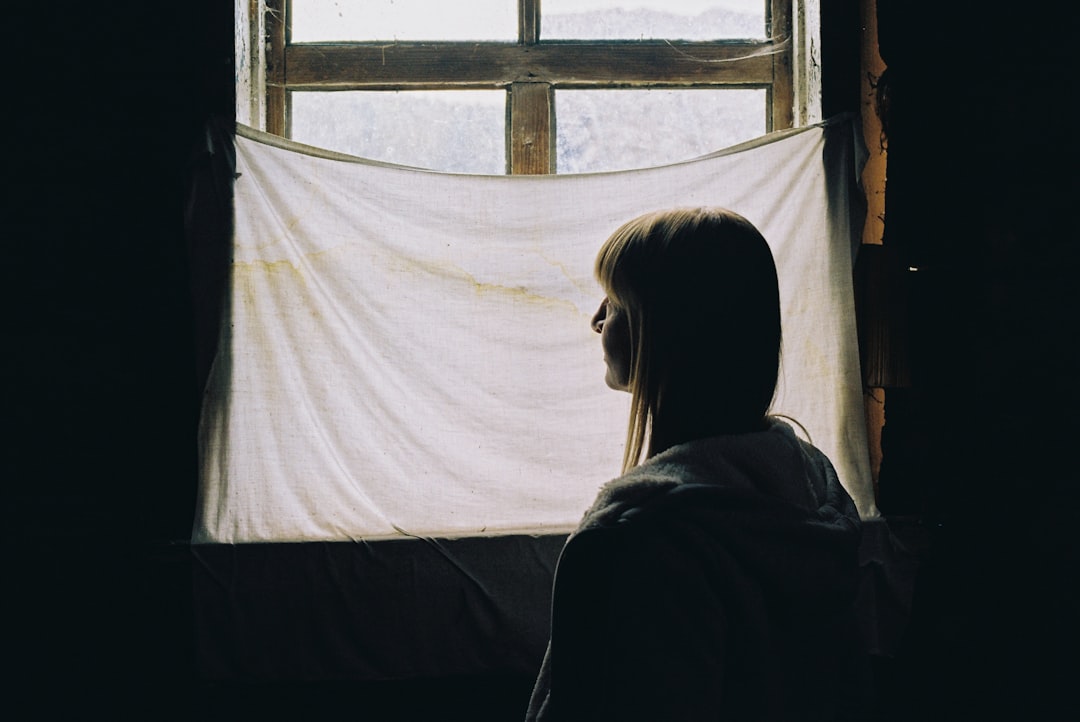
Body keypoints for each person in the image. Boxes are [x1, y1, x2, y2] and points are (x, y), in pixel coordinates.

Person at [525, 207, 869, 721]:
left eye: (616, 302)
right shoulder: (814, 495)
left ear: (663, 330)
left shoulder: (633, 540)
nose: (596, 320)